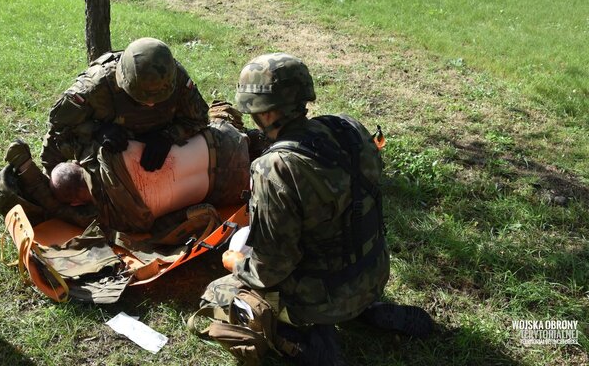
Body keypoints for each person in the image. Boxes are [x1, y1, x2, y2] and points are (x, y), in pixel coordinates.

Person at [198, 53, 432, 365]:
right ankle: (367, 310)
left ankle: (299, 342)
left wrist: (238, 263)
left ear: (264, 114)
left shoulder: (274, 168)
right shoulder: (348, 129)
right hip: (373, 271)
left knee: (216, 295)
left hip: (323, 295)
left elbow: (271, 268)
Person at [48, 118, 251, 241]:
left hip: (231, 188)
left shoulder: (117, 218)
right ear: (78, 164)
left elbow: (56, 208)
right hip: (223, 140)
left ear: (76, 202)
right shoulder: (106, 147)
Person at [40, 37, 209, 176]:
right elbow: (58, 132)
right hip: (109, 151)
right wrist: (97, 131)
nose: (151, 104)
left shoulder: (175, 77)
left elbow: (199, 118)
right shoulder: (95, 86)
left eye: (158, 99)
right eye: (141, 98)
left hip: (158, 158)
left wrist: (168, 136)